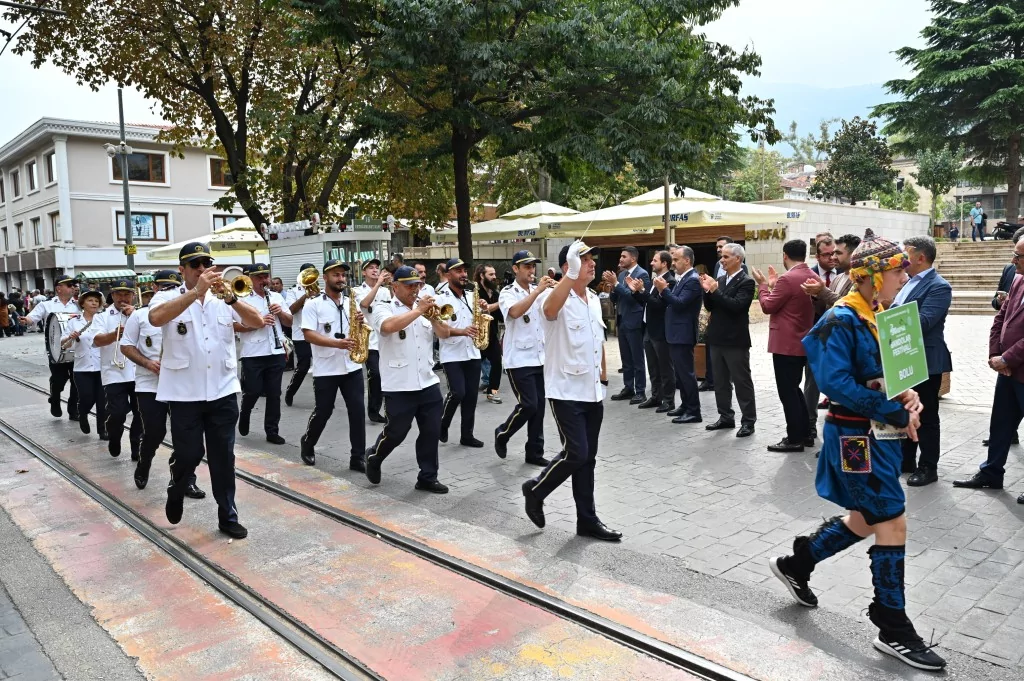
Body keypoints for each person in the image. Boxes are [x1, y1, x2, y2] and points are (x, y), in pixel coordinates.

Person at [769, 233, 947, 672]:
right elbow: (834, 383)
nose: (904, 276)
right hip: (853, 439)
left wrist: (909, 397)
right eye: (897, 271)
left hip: (880, 435)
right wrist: (893, 407)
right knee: (891, 516)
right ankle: (892, 626)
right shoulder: (841, 317)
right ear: (870, 276)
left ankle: (797, 561)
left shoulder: (881, 312)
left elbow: (886, 373)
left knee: (869, 517)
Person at [148, 242, 264, 539]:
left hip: (223, 390)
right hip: (184, 393)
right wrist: (196, 292)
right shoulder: (167, 296)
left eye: (206, 265)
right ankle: (178, 486)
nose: (202, 270)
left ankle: (228, 515)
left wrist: (233, 300)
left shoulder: (223, 297)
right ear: (182, 270)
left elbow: (257, 321)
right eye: (195, 265)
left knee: (223, 457)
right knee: (189, 453)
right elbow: (156, 318)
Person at [522, 242, 620, 541]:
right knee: (576, 452)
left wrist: (603, 376)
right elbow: (550, 310)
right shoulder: (554, 298)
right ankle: (536, 490)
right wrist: (570, 275)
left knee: (588, 458)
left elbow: (597, 339)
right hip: (565, 390)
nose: (592, 264)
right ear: (568, 266)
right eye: (584, 259)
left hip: (591, 390)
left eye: (591, 259)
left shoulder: (591, 298)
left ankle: (587, 520)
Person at [365, 265, 452, 492]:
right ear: (395, 287)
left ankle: (427, 477)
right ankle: (374, 456)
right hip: (399, 383)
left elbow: (444, 334)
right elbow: (388, 327)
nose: (415, 289)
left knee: (431, 431)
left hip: (427, 380)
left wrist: (433, 318)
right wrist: (419, 310)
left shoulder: (423, 308)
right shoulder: (383, 308)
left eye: (418, 285)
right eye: (409, 285)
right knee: (397, 432)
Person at [119, 270, 206, 498]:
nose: (168, 291)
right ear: (155, 289)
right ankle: (144, 461)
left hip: (181, 383)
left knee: (187, 438)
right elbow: (126, 346)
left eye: (172, 287)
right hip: (150, 384)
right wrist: (147, 363)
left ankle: (186, 478)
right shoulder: (139, 315)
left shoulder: (191, 310)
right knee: (155, 432)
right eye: (163, 287)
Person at [954, 236, 1024, 505]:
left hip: (1018, 368)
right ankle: (991, 473)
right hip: (1006, 371)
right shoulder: (1017, 279)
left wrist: (1007, 357)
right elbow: (1000, 319)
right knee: (1001, 424)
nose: (1012, 261)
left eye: (1018, 257)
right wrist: (995, 355)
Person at [893, 236, 952, 486]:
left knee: (926, 415)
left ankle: (929, 466)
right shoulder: (906, 282)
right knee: (906, 409)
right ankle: (906, 461)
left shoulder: (939, 286)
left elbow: (925, 321)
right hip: (905, 356)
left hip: (927, 359)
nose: (901, 259)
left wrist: (889, 311)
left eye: (905, 254)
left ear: (920, 257)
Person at [298, 259, 367, 471]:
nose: (341, 279)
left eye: (343, 275)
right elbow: (308, 334)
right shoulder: (313, 304)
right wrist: (337, 343)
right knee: (324, 411)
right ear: (325, 277)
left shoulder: (350, 303)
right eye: (336, 275)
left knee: (357, 411)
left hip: (351, 366)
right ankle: (308, 443)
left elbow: (358, 330)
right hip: (326, 368)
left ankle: (358, 457)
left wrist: (360, 323)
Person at [752, 240, 814, 452]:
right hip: (801, 342)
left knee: (788, 392)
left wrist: (761, 285)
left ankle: (794, 437)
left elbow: (768, 306)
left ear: (785, 255)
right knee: (795, 390)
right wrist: (772, 286)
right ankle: (805, 434)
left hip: (785, 344)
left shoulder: (788, 279)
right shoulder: (811, 276)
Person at [495, 250, 554, 465]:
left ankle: (535, 452)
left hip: (540, 357)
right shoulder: (507, 292)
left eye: (533, 266)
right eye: (526, 266)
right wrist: (538, 291)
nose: (531, 270)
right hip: (518, 359)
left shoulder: (539, 291)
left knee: (539, 408)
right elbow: (515, 312)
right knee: (528, 405)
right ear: (515, 269)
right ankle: (503, 432)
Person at [700, 243, 756, 437]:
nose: (721, 260)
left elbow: (736, 306)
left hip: (735, 340)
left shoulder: (746, 282)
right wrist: (707, 291)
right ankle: (725, 417)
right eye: (721, 257)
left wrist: (715, 291)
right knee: (720, 381)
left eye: (725, 257)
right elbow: (710, 306)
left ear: (738, 259)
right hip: (716, 337)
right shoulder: (720, 280)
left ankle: (748, 421)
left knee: (742, 382)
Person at [235, 263, 292, 444]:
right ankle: (245, 413)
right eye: (259, 277)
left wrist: (280, 312)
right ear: (249, 279)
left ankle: (272, 431)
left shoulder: (275, 297)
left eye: (266, 276)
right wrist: (257, 323)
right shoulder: (241, 299)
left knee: (274, 393)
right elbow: (233, 326)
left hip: (275, 351)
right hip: (252, 352)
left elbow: (290, 322)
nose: (264, 280)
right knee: (252, 391)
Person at [435, 258, 486, 446]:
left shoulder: (471, 295)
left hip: (472, 352)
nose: (463, 274)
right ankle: (442, 423)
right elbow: (442, 329)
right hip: (452, 354)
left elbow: (476, 320)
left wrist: (483, 309)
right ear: (448, 275)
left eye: (465, 271)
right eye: (458, 271)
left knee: (471, 396)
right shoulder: (443, 299)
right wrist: (463, 331)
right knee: (458, 392)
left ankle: (467, 435)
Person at [92, 278, 143, 460]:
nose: (123, 298)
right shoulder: (102, 317)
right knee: (118, 412)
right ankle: (114, 435)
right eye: (119, 294)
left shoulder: (142, 315)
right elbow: (97, 340)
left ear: (132, 296)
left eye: (127, 294)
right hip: (114, 372)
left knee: (141, 413)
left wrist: (136, 316)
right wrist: (114, 335)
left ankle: (136, 445)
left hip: (139, 371)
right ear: (112, 295)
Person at [23, 275, 81, 419]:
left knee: (77, 381)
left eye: (74, 285)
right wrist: (26, 320)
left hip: (77, 348)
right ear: (58, 288)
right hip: (56, 350)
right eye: (69, 285)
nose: (73, 287)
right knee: (59, 380)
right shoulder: (46, 305)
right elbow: (32, 317)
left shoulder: (79, 305)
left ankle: (73, 410)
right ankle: (55, 398)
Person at [657, 245, 702, 424]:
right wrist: (663, 291)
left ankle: (693, 411)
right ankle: (685, 405)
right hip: (676, 332)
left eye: (676, 260)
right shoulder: (683, 277)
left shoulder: (692, 279)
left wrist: (663, 290)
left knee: (686, 373)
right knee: (681, 374)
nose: (673, 263)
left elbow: (680, 303)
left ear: (687, 260)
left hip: (683, 333)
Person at [629, 250, 676, 412]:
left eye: (655, 261)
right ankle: (656, 396)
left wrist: (642, 291)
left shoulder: (669, 281)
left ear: (664, 263)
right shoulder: (656, 279)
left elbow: (658, 305)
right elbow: (646, 303)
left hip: (661, 330)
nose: (651, 263)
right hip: (649, 328)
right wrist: (636, 291)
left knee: (665, 367)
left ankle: (669, 400)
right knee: (653, 367)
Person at [603, 247, 649, 404]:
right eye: (620, 256)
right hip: (622, 319)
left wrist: (617, 284)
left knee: (637, 358)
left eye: (624, 256)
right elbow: (616, 299)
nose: (620, 259)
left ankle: (640, 391)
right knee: (625, 358)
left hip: (634, 321)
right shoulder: (622, 274)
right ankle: (628, 387)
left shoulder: (642, 274)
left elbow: (633, 298)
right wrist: (612, 286)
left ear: (633, 259)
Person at [61, 289, 107, 439]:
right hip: (82, 366)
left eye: (96, 301)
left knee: (102, 401)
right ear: (82, 303)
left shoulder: (104, 319)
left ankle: (102, 429)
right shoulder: (74, 321)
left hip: (102, 366)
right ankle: (83, 413)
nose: (94, 303)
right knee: (87, 397)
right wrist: (70, 337)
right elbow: (64, 345)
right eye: (90, 300)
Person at [804, 234, 837, 437]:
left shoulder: (844, 274)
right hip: (817, 336)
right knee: (812, 381)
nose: (831, 258)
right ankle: (809, 424)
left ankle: (834, 426)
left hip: (839, 337)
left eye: (834, 253)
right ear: (817, 256)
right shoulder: (809, 274)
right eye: (826, 255)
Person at [356, 258, 391, 424]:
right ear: (364, 272)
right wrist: (378, 285)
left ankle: (387, 407)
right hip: (369, 340)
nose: (375, 270)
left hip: (385, 338)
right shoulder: (357, 291)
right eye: (371, 268)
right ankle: (373, 410)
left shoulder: (385, 291)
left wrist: (391, 286)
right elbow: (364, 304)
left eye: (377, 268)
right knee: (375, 374)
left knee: (386, 374)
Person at [284, 262, 317, 406]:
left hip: (317, 334)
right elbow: (290, 310)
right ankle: (290, 391)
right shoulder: (293, 291)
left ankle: (322, 398)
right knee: (303, 366)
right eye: (306, 274)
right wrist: (305, 296)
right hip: (300, 334)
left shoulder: (319, 291)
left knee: (320, 366)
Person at [474, 263, 504, 404]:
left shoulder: (496, 293)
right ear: (482, 275)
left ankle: (492, 393)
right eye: (491, 274)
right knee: (472, 367)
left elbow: (501, 317)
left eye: (494, 274)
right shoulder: (474, 292)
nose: (494, 277)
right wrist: (500, 303)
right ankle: (468, 393)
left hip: (491, 336)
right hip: (475, 336)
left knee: (497, 364)